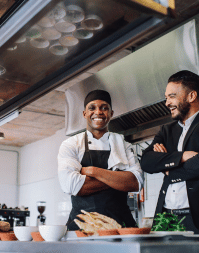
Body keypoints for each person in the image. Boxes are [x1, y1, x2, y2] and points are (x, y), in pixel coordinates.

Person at [141, 70, 199, 239]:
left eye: (172, 96)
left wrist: (168, 169)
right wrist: (183, 156)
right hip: (166, 218)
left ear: (191, 96)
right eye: (166, 97)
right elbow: (146, 162)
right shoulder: (167, 130)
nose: (167, 102)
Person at [58, 89, 143, 230]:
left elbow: (136, 182)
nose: (98, 112)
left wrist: (92, 171)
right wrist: (118, 178)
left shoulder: (124, 145)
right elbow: (71, 185)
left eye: (104, 108)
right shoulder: (71, 144)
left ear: (111, 114)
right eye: (92, 108)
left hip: (120, 225)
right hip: (82, 225)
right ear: (84, 114)